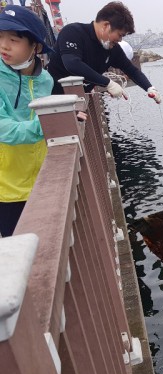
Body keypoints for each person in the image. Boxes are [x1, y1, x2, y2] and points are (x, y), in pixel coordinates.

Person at [0, 5, 54, 237]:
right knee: (18, 247)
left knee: (46, 243)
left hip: (43, 180)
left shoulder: (46, 80)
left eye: (13, 39)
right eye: (0, 37)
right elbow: (4, 129)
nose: (4, 45)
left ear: (36, 46)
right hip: (6, 189)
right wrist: (51, 123)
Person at [47, 1, 161, 103]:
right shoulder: (73, 32)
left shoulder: (112, 48)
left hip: (80, 100)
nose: (120, 40)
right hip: (53, 100)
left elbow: (131, 70)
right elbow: (72, 64)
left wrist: (149, 88)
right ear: (106, 26)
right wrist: (108, 83)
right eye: (120, 35)